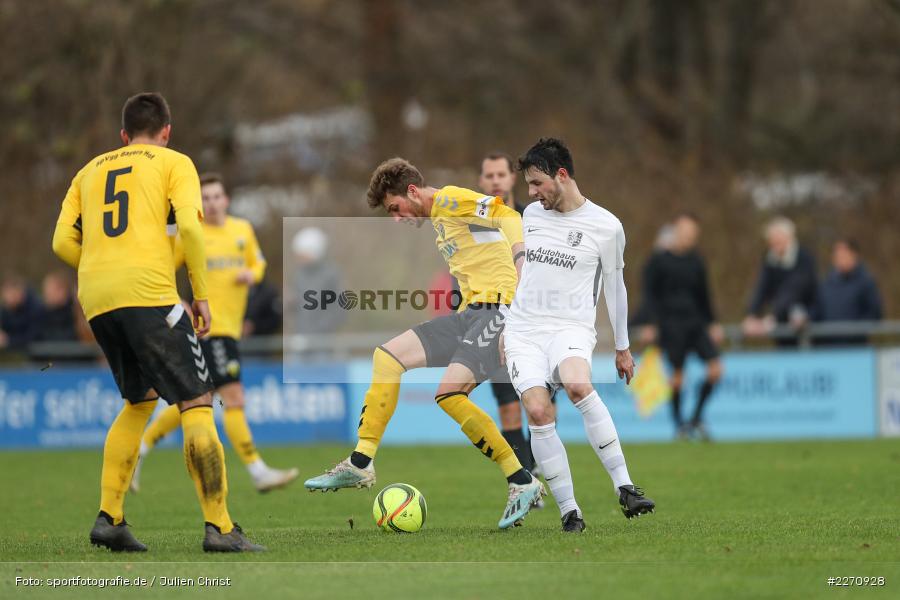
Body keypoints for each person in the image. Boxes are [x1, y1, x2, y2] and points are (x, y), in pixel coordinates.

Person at [51, 92, 262, 552]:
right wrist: (200, 295)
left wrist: (99, 264)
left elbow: (60, 242)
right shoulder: (173, 162)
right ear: (166, 130)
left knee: (139, 401)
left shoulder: (87, 171)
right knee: (197, 402)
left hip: (98, 297)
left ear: (123, 136)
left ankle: (110, 519)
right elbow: (189, 228)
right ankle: (221, 528)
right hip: (149, 293)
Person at [304, 157, 544, 529]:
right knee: (387, 357)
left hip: (497, 312)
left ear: (412, 192)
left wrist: (521, 263)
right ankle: (361, 462)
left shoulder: (449, 199)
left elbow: (508, 217)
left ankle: (521, 480)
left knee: (449, 394)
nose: (397, 219)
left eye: (395, 209)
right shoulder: (440, 221)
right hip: (470, 315)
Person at [503, 138, 655, 533]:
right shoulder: (531, 217)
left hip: (570, 327)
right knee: (538, 411)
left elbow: (615, 288)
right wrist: (505, 325)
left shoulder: (607, 226)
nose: (531, 194)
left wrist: (622, 347)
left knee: (576, 383)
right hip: (524, 329)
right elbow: (514, 274)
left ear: (562, 175)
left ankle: (626, 487)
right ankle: (570, 511)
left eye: (536, 183)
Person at [132, 173, 298, 493]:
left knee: (195, 399)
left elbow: (259, 263)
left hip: (229, 329)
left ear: (226, 199)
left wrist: (252, 273)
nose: (211, 203)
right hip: (209, 330)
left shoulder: (242, 230)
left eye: (215, 196)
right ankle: (257, 470)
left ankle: (141, 447)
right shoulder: (191, 234)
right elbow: (163, 271)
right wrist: (178, 301)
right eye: (204, 198)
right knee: (233, 396)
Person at [477, 152, 537, 475]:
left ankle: (537, 466)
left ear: (513, 179)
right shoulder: (476, 225)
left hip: (535, 322)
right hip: (493, 323)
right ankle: (524, 478)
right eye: (489, 175)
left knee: (541, 405)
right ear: (481, 181)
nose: (496, 180)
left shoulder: (535, 218)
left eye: (501, 174)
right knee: (510, 411)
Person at [640, 214, 723, 440]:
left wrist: (713, 322)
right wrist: (649, 323)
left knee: (715, 370)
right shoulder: (659, 261)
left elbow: (704, 295)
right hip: (671, 325)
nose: (689, 237)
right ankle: (680, 426)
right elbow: (650, 296)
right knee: (677, 378)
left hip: (695, 323)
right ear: (676, 231)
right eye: (685, 232)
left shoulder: (697, 261)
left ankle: (695, 417)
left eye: (693, 233)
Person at [743, 217, 818, 345]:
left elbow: (794, 290)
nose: (774, 243)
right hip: (781, 322)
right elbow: (762, 288)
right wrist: (751, 315)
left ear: (790, 237)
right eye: (772, 240)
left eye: (778, 239)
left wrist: (772, 318)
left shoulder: (804, 259)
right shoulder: (769, 258)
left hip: (808, 320)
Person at [814, 238, 883, 346]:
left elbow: (874, 313)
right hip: (827, 348)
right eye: (837, 256)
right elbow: (817, 311)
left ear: (854, 255)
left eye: (843, 255)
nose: (839, 259)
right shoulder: (826, 284)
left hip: (855, 349)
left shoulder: (866, 282)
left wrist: (854, 331)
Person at [0, 273, 44, 352]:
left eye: (13, 294)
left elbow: (33, 336)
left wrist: (9, 340)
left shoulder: (35, 308)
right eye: (7, 294)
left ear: (21, 293)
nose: (10, 298)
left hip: (38, 356)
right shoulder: (5, 309)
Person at [37, 270, 78, 343]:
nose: (46, 295)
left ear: (62, 290)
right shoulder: (42, 312)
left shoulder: (76, 312)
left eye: (50, 291)